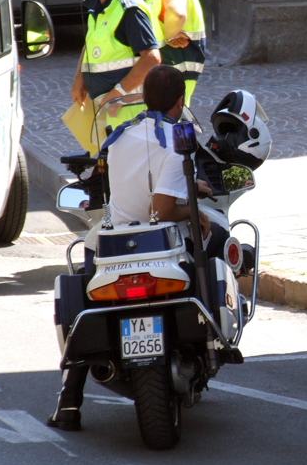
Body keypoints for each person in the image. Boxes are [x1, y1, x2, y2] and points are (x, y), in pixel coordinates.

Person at [48, 65, 212, 432]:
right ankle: (214, 341)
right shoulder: (177, 140)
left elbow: (109, 188)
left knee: (83, 293)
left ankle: (68, 403)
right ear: (180, 101)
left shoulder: (119, 136)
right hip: (160, 244)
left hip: (115, 247)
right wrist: (194, 210)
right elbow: (162, 209)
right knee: (211, 245)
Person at [70, 0, 161, 122]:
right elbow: (90, 46)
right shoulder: (98, 6)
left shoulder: (129, 8)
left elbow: (152, 58)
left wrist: (117, 94)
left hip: (129, 111)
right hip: (108, 110)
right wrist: (79, 78)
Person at [138, 0, 207, 104]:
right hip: (170, 75)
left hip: (169, 75)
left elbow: (177, 13)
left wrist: (169, 36)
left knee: (171, 124)